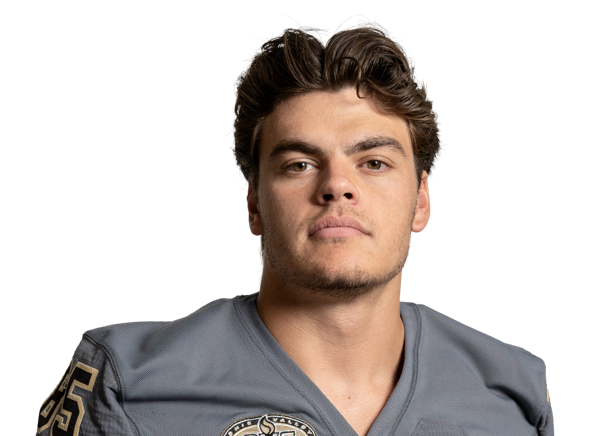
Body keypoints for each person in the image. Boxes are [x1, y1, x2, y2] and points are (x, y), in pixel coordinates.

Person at [36, 18, 554, 436]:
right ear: (254, 205)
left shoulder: (513, 391)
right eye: (299, 164)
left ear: (421, 201)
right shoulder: (130, 384)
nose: (337, 186)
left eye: (373, 162)